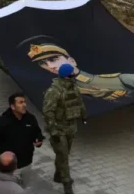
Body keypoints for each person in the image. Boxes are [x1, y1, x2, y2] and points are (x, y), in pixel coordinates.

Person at [27, 38, 134, 100]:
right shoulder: (54, 90)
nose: (50, 66)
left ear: (72, 60)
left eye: (53, 59)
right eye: (43, 64)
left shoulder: (120, 79)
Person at [0, 93, 44, 187]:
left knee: (23, 189)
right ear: (13, 107)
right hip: (10, 169)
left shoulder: (31, 119)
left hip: (27, 164)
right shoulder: (1, 122)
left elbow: (37, 133)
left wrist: (39, 141)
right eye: (21, 102)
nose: (24, 105)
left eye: (25, 102)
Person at [43, 63, 86, 194]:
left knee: (63, 154)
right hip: (59, 129)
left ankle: (58, 174)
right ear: (67, 76)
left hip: (71, 127)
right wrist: (53, 130)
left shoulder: (73, 87)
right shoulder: (54, 91)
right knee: (63, 156)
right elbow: (48, 112)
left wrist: (84, 116)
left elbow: (80, 103)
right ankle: (67, 183)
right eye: (72, 73)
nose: (75, 75)